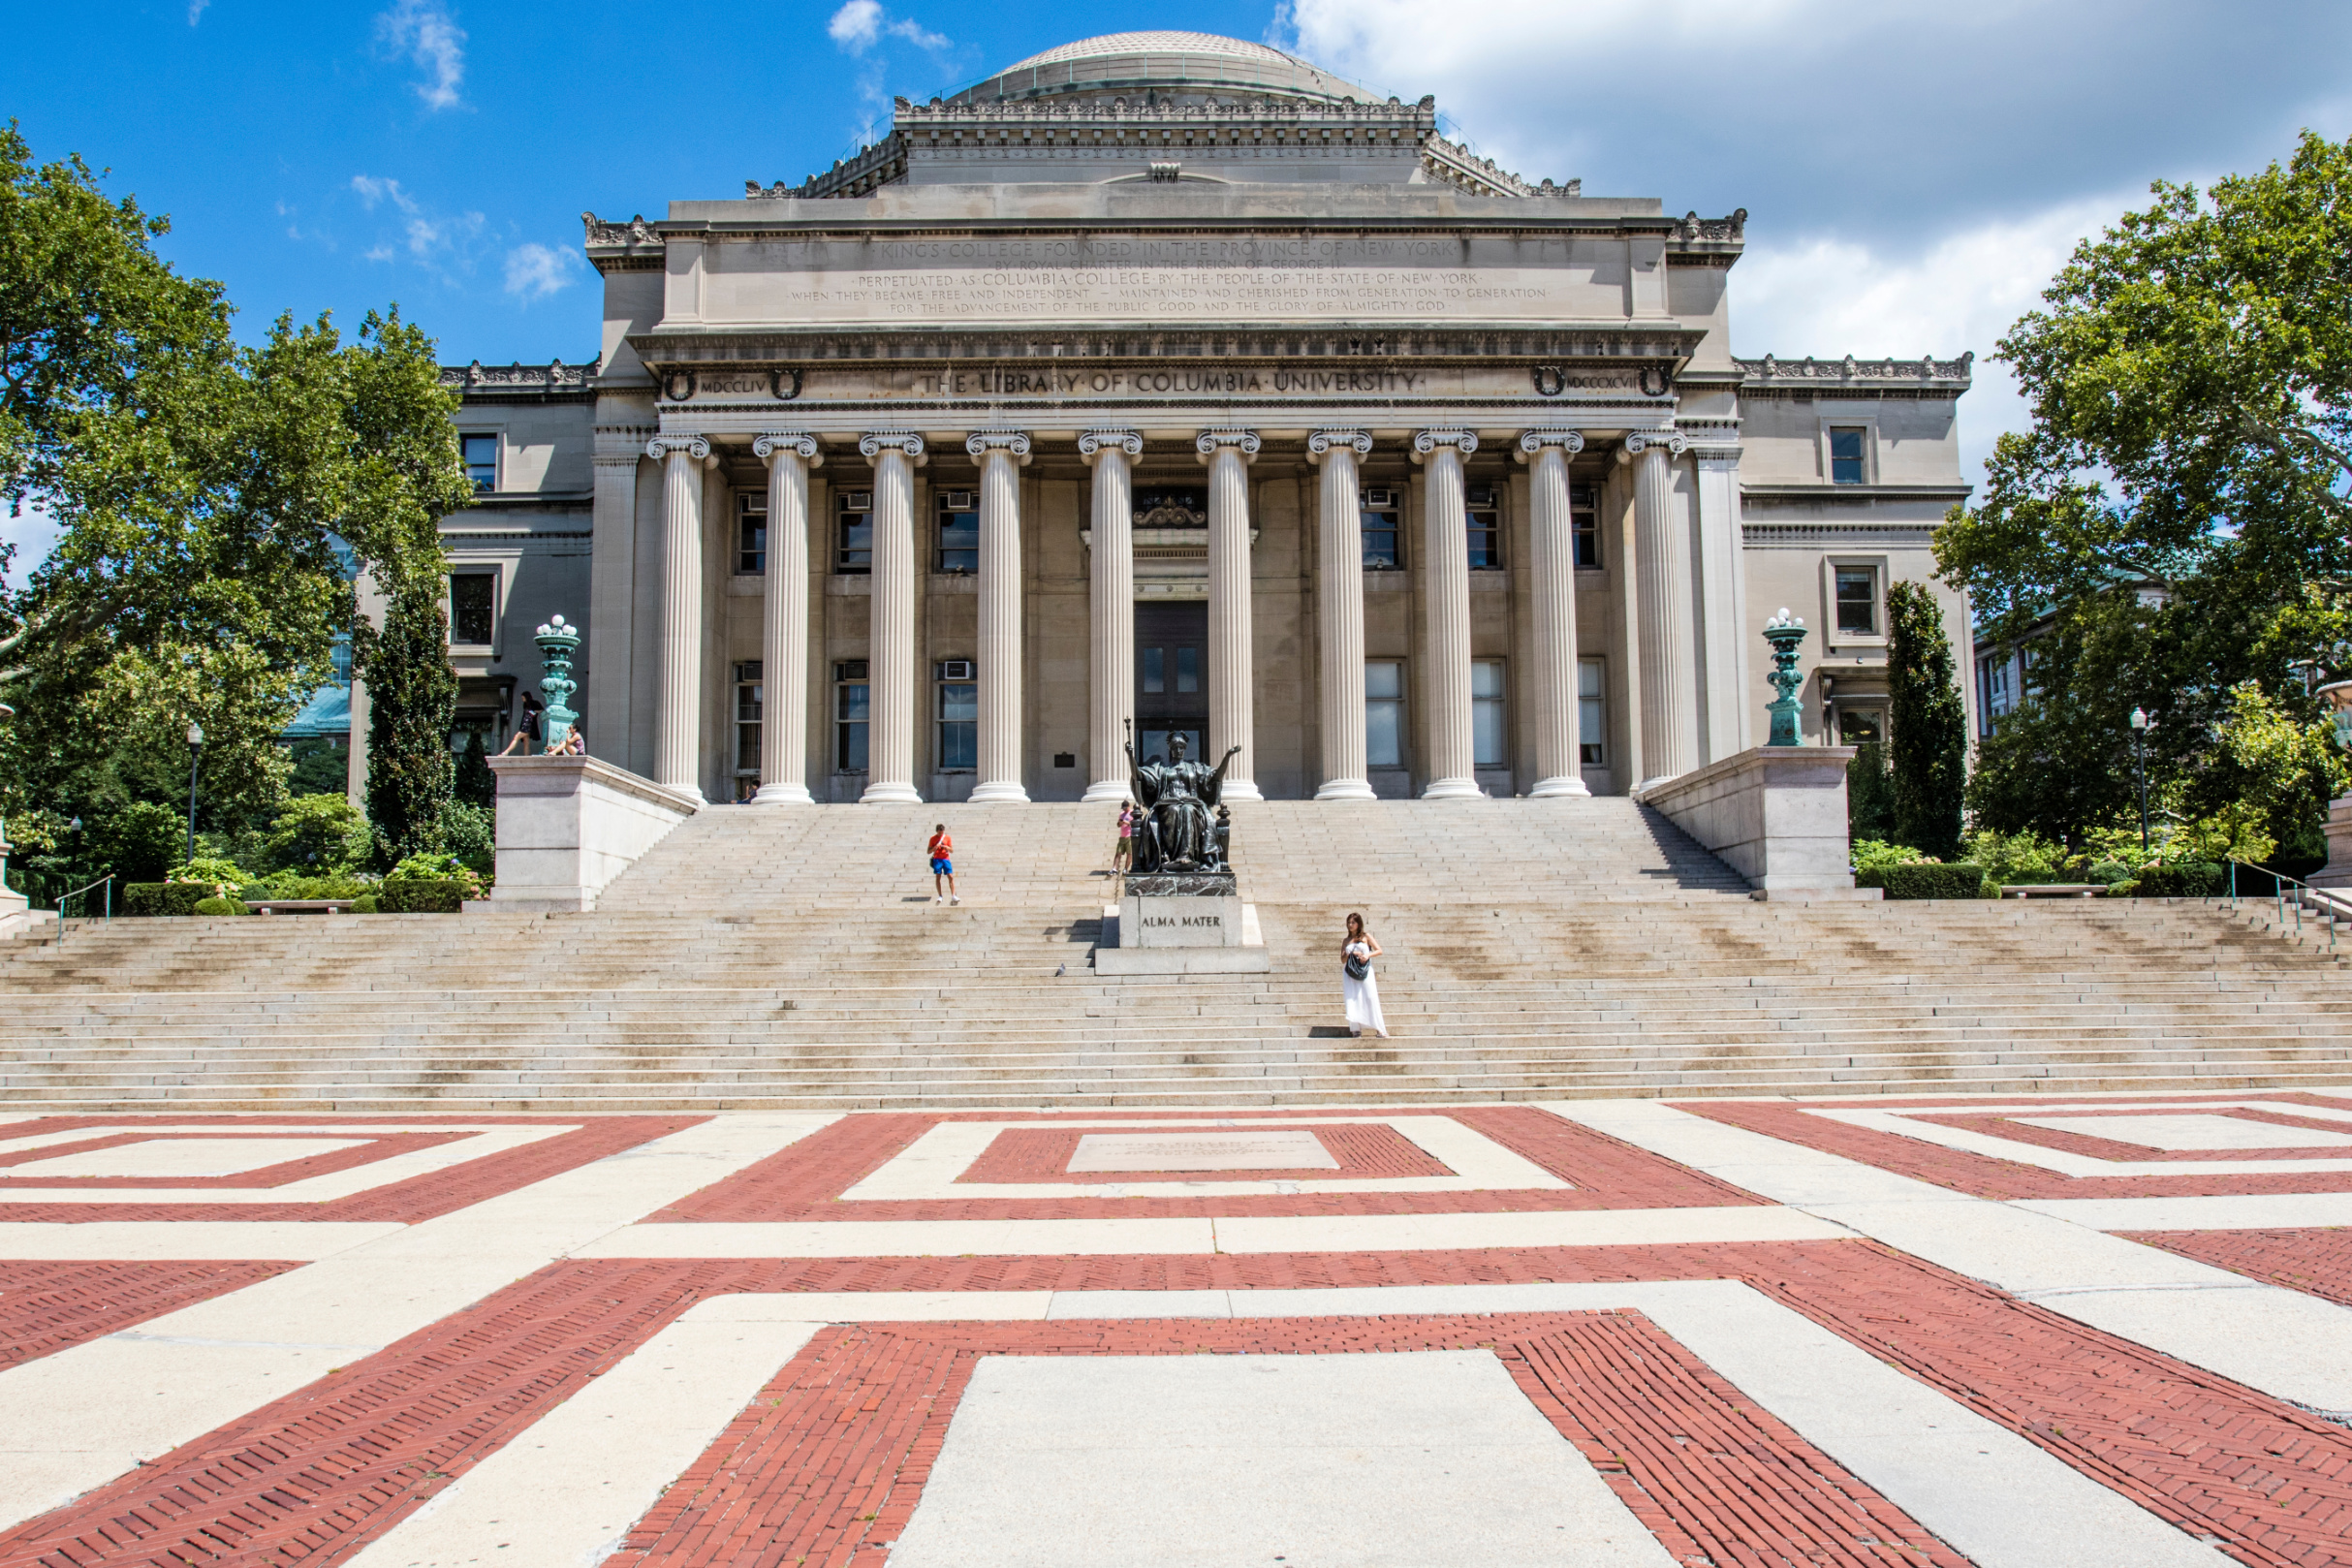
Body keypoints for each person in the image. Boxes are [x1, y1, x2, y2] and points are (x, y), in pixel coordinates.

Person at [1341, 911, 1388, 1039]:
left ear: (1358, 924)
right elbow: (1342, 959)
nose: (1350, 925)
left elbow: (1379, 950)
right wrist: (1351, 952)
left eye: (1353, 922)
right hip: (1350, 972)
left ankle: (1379, 1029)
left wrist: (1367, 955)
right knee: (1352, 999)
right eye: (1349, 922)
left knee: (1371, 997)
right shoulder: (1346, 940)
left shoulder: (1366, 936)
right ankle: (1355, 1029)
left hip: (1365, 971)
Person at [928, 823, 959, 905]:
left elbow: (952, 850)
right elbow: (928, 851)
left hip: (946, 858)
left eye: (942, 832)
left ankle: (953, 895)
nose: (941, 834)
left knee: (950, 876)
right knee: (938, 876)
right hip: (937, 859)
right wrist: (934, 848)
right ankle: (940, 895)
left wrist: (946, 847)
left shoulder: (947, 838)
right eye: (939, 832)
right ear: (937, 831)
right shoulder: (932, 839)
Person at [1113, 800, 1136, 872]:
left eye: (1125, 808)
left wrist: (1126, 822)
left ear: (1128, 806)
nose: (1124, 810)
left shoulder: (1132, 813)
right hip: (1122, 836)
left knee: (1129, 853)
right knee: (1118, 853)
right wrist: (1120, 823)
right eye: (1123, 808)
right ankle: (1114, 868)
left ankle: (1125, 868)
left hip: (1129, 836)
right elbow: (1118, 825)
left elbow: (1134, 823)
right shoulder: (1121, 814)